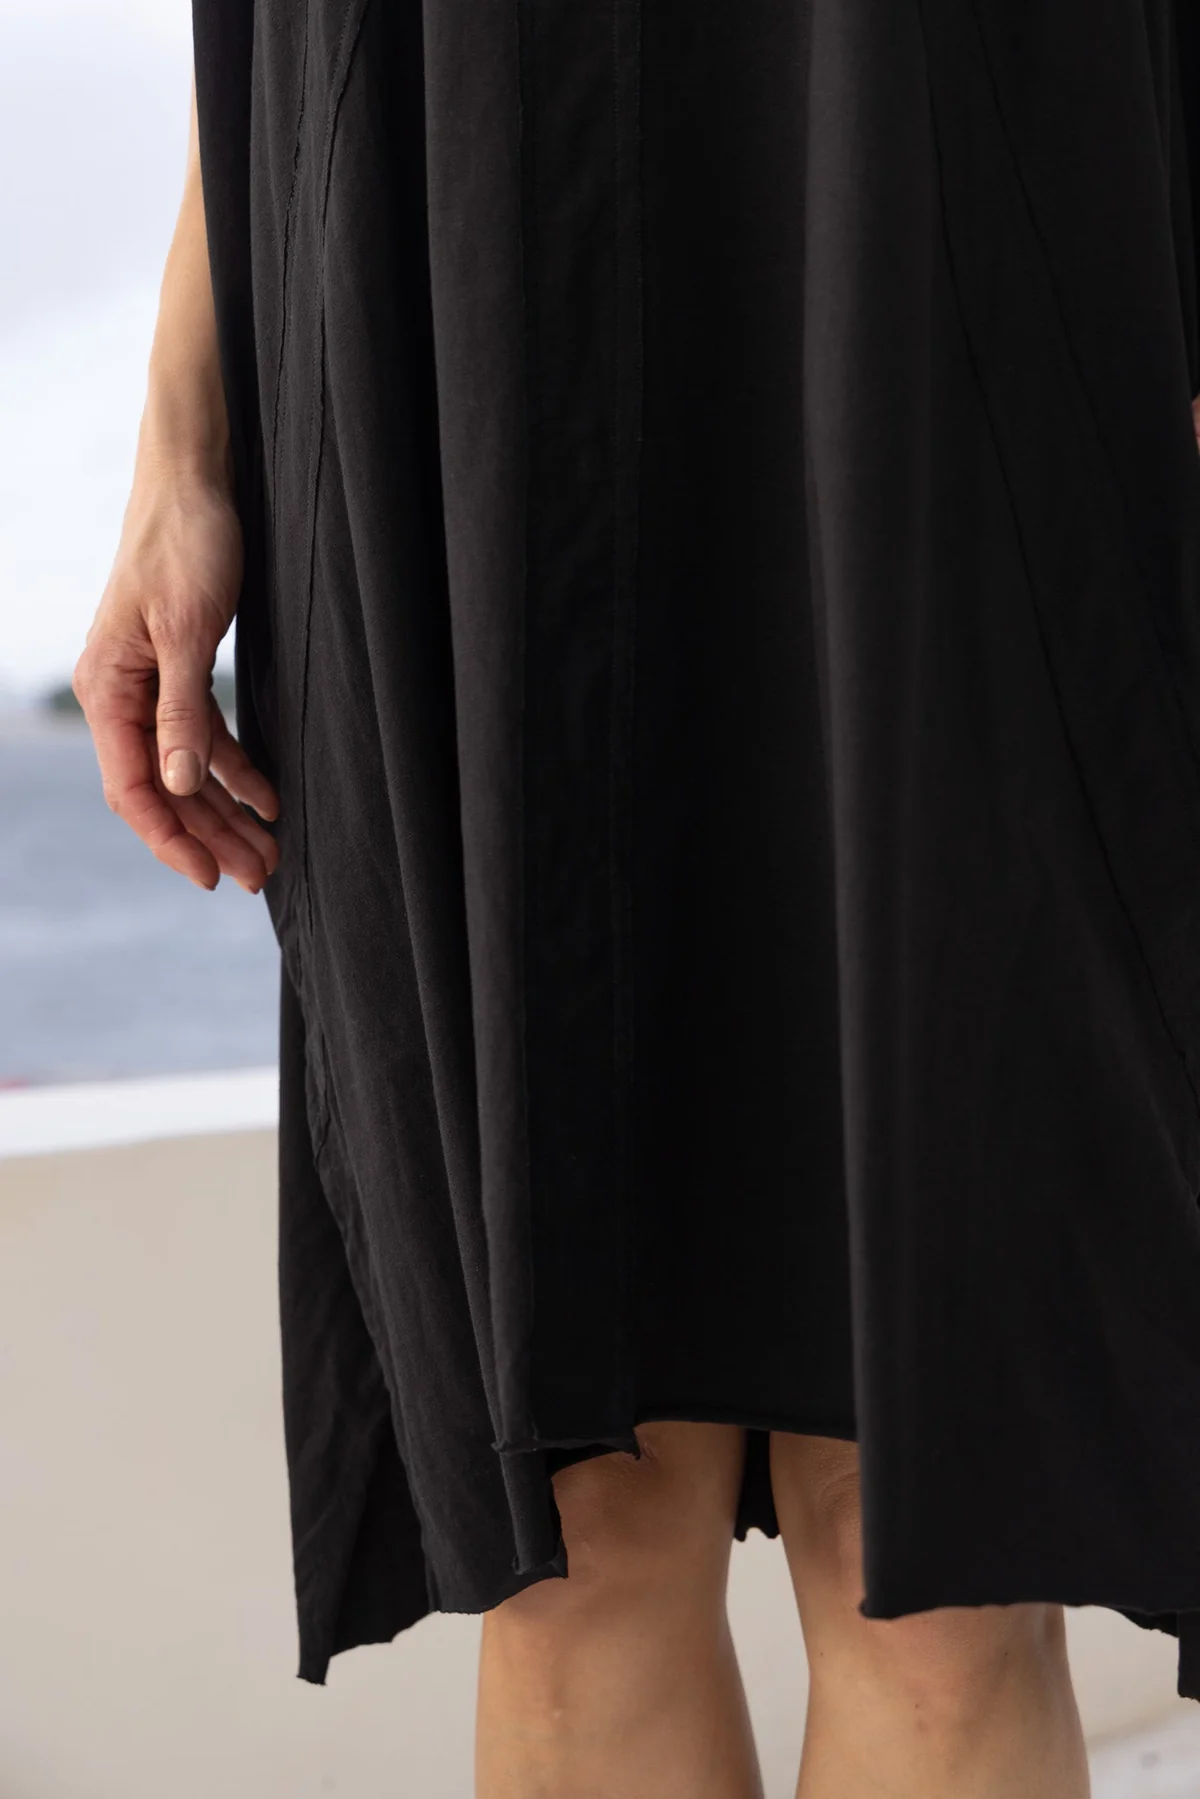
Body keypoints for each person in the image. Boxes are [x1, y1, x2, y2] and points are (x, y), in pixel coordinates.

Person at [74, 4, 1200, 1794]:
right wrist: (185, 431)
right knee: (574, 1539)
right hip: (447, 223)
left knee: (944, 1550)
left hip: (965, 199)